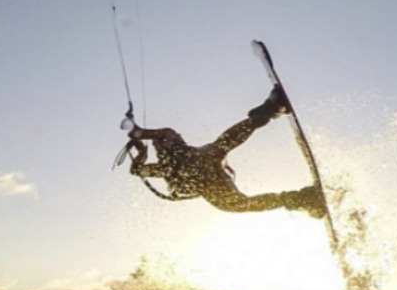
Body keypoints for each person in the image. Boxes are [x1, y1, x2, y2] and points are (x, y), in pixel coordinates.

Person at [123, 85, 326, 217]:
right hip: (206, 183)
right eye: (158, 143)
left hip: (207, 168)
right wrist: (140, 149)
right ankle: (301, 199)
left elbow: (150, 137)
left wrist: (138, 135)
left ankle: (272, 108)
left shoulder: (171, 142)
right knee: (235, 204)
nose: (162, 142)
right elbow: (137, 170)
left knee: (219, 148)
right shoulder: (163, 165)